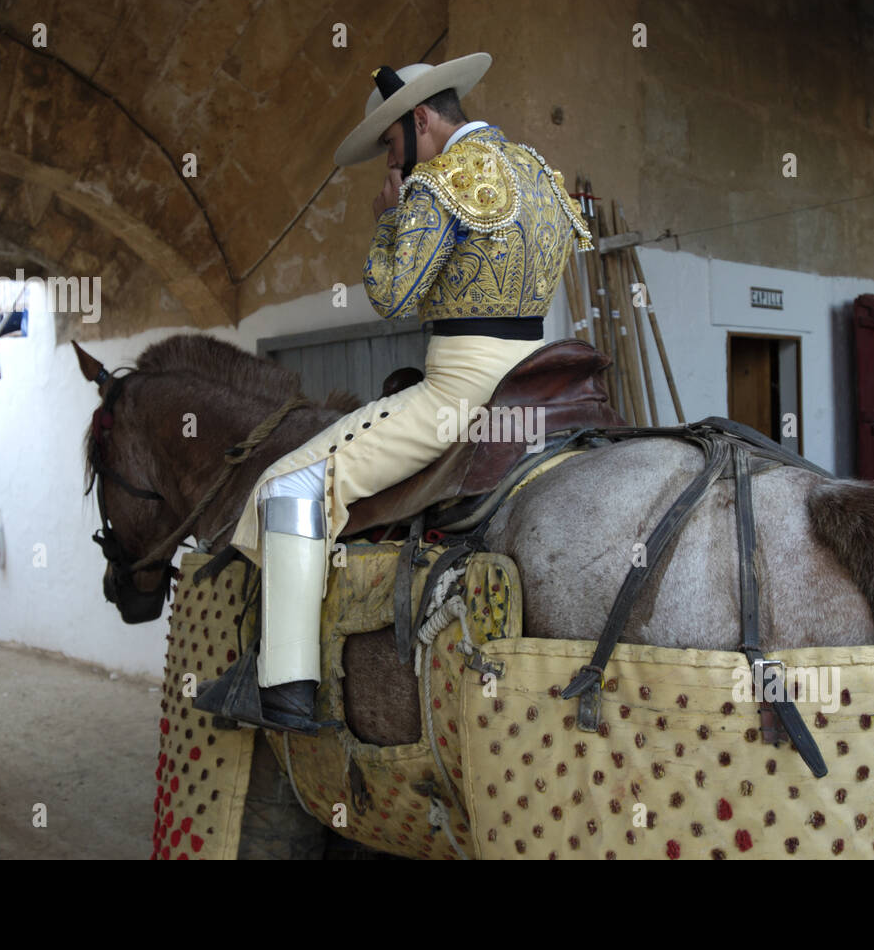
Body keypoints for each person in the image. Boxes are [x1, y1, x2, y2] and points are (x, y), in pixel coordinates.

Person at [196, 52, 592, 733]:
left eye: (390, 143)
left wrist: (391, 215)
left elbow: (390, 294)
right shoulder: (538, 171)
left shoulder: (440, 181)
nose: (391, 157)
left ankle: (285, 686)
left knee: (288, 488)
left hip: (463, 391)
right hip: (547, 380)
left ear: (419, 120)